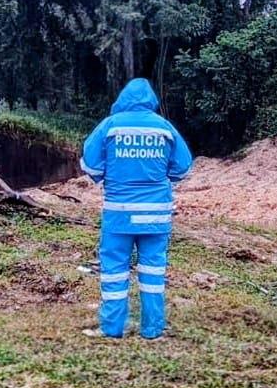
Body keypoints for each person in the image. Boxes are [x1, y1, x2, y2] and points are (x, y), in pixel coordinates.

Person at [80, 78, 193, 339]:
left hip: (119, 216)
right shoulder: (165, 128)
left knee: (114, 273)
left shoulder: (109, 126)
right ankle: (153, 329)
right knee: (153, 272)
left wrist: (110, 175)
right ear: (151, 100)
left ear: (123, 98)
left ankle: (111, 329)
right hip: (155, 217)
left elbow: (90, 165)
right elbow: (183, 168)